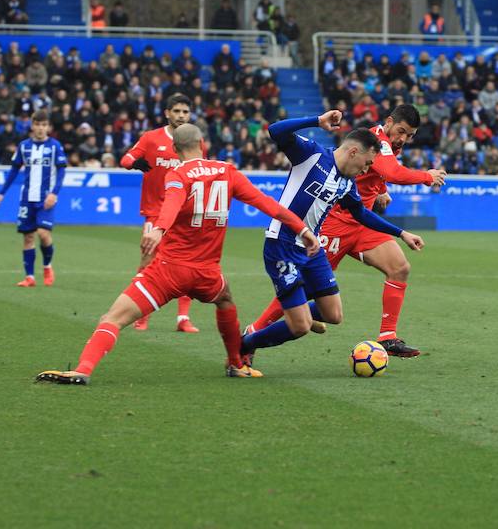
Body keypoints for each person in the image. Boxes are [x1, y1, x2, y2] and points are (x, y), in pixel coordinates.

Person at [35, 124, 320, 385]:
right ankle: (236, 363)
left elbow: (171, 203)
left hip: (168, 271)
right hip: (207, 274)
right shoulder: (227, 171)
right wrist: (302, 229)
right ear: (202, 143)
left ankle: (83, 370)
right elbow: (269, 204)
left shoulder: (178, 174)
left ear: (175, 150)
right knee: (225, 300)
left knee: (112, 318)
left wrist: (158, 230)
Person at [247, 104, 446, 357]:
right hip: (336, 221)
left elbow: (376, 173)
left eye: (410, 135)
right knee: (306, 286)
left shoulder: (387, 145)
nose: (404, 139)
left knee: (399, 267)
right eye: (402, 131)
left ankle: (387, 336)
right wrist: (427, 177)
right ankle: (255, 329)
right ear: (388, 122)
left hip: (363, 222)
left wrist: (380, 191)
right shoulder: (377, 140)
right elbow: (390, 171)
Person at [119, 93, 203, 333]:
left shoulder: (194, 139)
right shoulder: (151, 138)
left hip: (186, 213)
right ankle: (141, 315)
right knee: (148, 261)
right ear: (167, 113)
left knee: (188, 263)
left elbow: (201, 169)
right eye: (176, 111)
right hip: (156, 212)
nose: (181, 116)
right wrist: (134, 162)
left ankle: (183, 319)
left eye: (185, 112)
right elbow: (126, 159)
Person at [0, 110, 67, 287]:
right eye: (37, 125)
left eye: (44, 125)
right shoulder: (24, 146)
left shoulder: (55, 146)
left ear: (48, 127)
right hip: (27, 198)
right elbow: (14, 171)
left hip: (46, 198)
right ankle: (30, 277)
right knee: (28, 237)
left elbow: (62, 171)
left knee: (43, 234)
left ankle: (47, 266)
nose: (40, 128)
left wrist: (54, 193)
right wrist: (1, 193)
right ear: (32, 126)